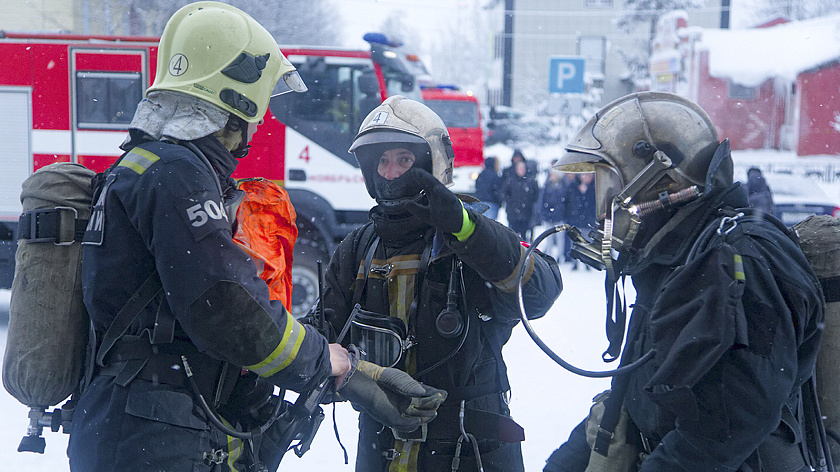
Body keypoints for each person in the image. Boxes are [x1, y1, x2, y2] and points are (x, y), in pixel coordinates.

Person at [68, 4, 445, 472]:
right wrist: (327, 362)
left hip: (132, 420)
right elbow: (225, 303)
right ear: (235, 101)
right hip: (155, 432)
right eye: (261, 102)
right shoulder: (177, 174)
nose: (262, 120)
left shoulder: (142, 165)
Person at [543, 92, 823, 471]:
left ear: (657, 178)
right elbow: (635, 388)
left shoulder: (741, 257)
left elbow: (729, 425)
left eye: (610, 179)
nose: (606, 200)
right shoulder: (671, 255)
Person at [315, 95, 563, 472]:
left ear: (433, 163)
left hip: (470, 450)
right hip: (380, 448)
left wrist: (465, 227)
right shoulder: (358, 249)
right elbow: (321, 340)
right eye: (382, 161)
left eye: (404, 159)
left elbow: (540, 292)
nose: (391, 173)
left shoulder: (472, 239)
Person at [560, 173, 596, 269]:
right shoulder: (572, 187)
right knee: (575, 242)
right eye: (584, 176)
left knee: (587, 242)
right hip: (574, 219)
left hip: (587, 221)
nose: (586, 178)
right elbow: (567, 203)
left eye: (588, 176)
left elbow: (593, 205)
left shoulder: (593, 189)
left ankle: (587, 262)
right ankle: (575, 262)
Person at [501, 156, 540, 240]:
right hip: (513, 214)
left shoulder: (530, 181)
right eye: (520, 168)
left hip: (526, 214)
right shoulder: (511, 180)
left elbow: (536, 195)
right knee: (513, 236)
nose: (522, 170)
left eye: (523, 168)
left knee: (524, 236)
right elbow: (504, 193)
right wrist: (511, 202)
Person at [537, 168, 568, 261]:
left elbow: (565, 202)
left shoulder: (563, 187)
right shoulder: (546, 186)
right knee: (549, 238)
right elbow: (542, 201)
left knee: (560, 239)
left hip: (559, 216)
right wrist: (544, 213)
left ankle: (560, 256)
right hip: (549, 216)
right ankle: (549, 255)